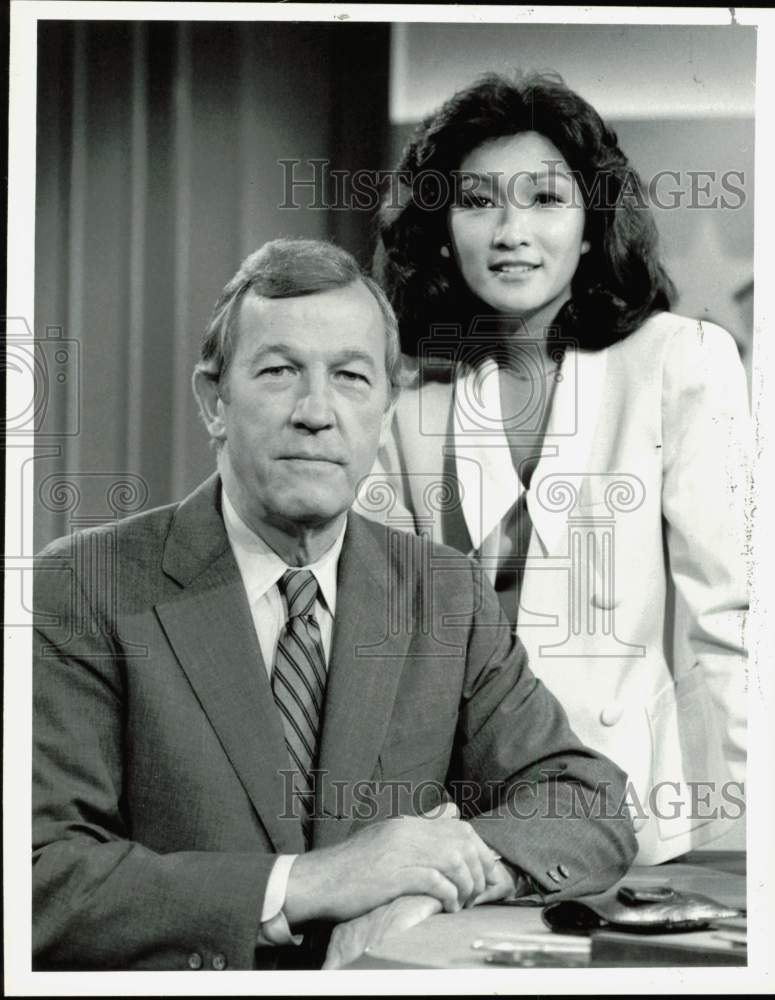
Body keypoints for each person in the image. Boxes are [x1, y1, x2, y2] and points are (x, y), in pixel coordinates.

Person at [32, 238, 636, 971]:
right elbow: (40, 874)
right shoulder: (86, 585)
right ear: (212, 401)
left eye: (350, 377)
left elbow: (585, 802)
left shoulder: (442, 591)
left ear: (384, 411)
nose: (316, 412)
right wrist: (315, 884)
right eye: (280, 372)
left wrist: (427, 880)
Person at [361, 72, 749, 865]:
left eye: (544, 198)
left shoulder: (678, 361)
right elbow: (394, 653)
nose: (511, 230)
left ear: (589, 222)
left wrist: (744, 837)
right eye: (478, 201)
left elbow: (732, 627)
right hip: (467, 823)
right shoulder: (408, 403)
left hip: (644, 818)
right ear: (440, 228)